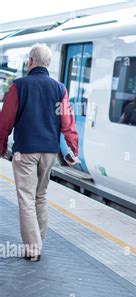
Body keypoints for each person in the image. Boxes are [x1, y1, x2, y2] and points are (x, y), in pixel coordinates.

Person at [0, 43, 80, 262]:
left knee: (26, 198)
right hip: (49, 152)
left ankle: (34, 248)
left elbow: (5, 120)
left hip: (25, 150)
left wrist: (1, 145)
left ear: (30, 62)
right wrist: (73, 149)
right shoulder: (60, 89)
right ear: (48, 64)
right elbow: (67, 122)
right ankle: (38, 238)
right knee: (40, 196)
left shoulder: (19, 86)